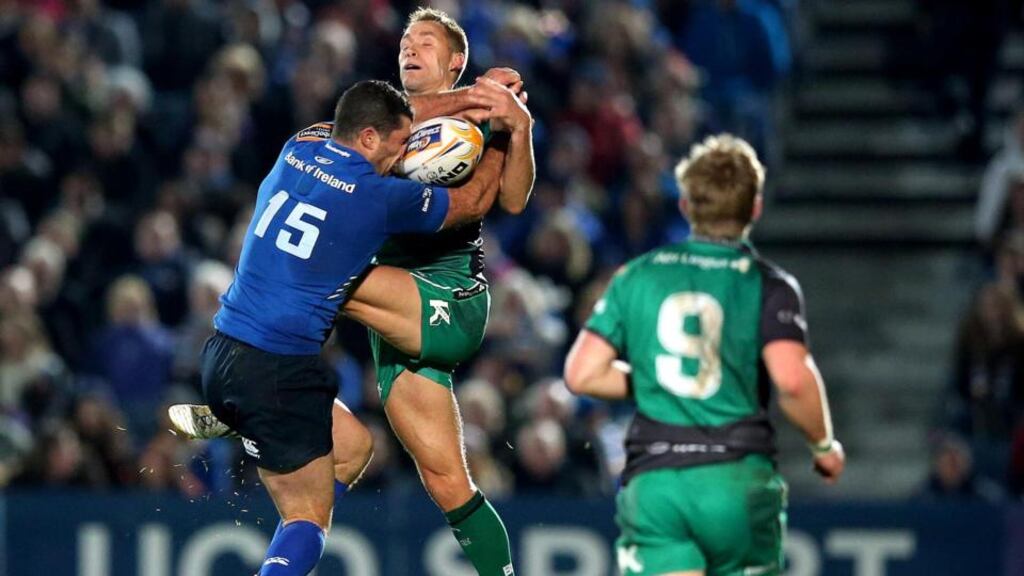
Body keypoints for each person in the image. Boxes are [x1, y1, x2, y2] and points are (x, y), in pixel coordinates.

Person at [172, 9, 533, 575]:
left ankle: (243, 400)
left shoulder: (461, 122)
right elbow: (417, 145)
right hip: (391, 319)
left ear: (456, 60)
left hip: (445, 301)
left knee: (312, 276)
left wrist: (516, 129)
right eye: (405, 41)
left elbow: (508, 200)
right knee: (434, 479)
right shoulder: (386, 121)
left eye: (426, 42)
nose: (410, 48)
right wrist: (477, 99)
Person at [563, 134, 844, 576]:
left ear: (685, 205)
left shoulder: (637, 275)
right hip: (735, 480)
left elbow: (582, 374)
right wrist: (823, 446)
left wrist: (657, 381)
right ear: (755, 208)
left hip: (658, 481)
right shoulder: (769, 284)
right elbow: (792, 380)